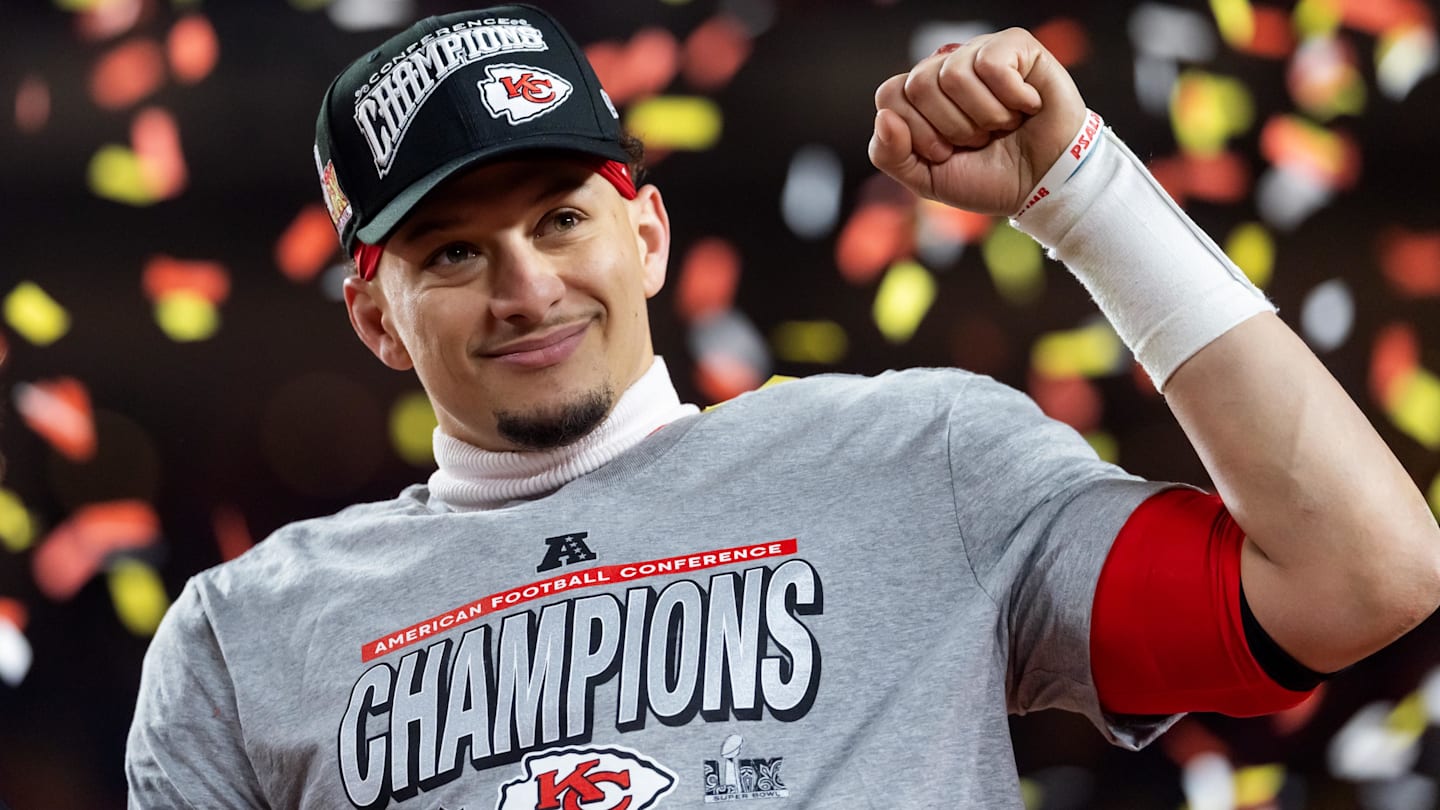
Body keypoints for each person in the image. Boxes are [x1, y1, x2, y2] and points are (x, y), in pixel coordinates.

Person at [126, 5, 1440, 809]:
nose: (527, 285)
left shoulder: (918, 460)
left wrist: (1084, 197)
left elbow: (1361, 572)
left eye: (561, 219)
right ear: (376, 318)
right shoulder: (244, 639)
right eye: (453, 253)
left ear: (645, 235)